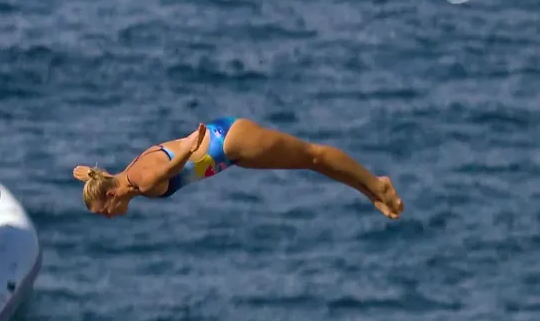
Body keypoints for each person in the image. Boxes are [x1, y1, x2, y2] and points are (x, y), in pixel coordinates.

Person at [73, 117, 403, 220]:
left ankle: (377, 185)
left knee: (311, 156)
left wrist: (187, 150)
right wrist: (86, 174)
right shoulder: (118, 177)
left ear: (113, 195)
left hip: (228, 143)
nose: (108, 217)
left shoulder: (142, 183)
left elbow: (167, 171)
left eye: (104, 212)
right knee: (308, 162)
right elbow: (93, 175)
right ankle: (370, 190)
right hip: (226, 152)